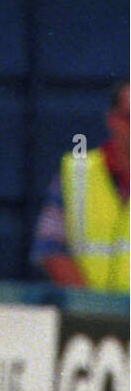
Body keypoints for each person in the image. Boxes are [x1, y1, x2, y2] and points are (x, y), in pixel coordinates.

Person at [32, 81, 129, 292]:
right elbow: (50, 247)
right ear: (111, 119)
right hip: (86, 316)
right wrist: (91, 307)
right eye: (129, 118)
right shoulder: (77, 172)